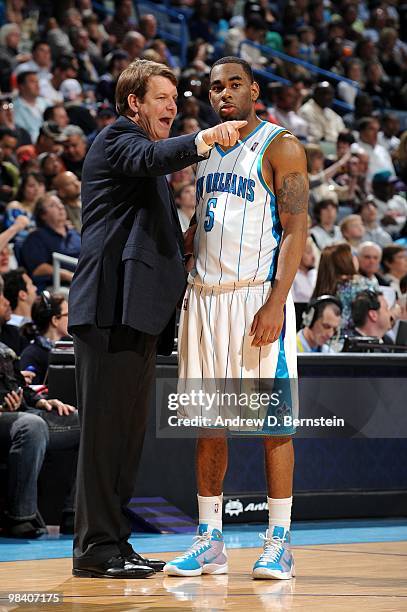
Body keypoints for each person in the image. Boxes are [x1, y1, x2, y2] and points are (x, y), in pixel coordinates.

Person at [67, 58, 247, 580]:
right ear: (133, 104)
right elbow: (154, 156)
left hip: (138, 314)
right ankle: (95, 548)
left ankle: (114, 543)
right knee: (104, 437)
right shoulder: (116, 140)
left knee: (125, 438)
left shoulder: (139, 155)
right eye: (162, 98)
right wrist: (204, 138)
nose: (173, 105)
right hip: (109, 308)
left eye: (175, 97)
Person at [164, 57, 308, 580]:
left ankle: (280, 542)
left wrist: (276, 300)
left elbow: (295, 231)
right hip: (204, 297)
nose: (223, 94)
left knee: (274, 425)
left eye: (234, 85)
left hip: (255, 299)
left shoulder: (281, 145)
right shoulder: (205, 149)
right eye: (214, 87)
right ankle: (210, 541)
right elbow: (203, 224)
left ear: (254, 89)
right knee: (209, 424)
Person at [21, 193, 81, 291]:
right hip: (59, 287)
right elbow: (38, 269)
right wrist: (66, 275)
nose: (60, 207)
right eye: (53, 205)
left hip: (84, 280)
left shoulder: (74, 233)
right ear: (43, 215)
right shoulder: (36, 238)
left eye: (60, 203)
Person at [312, 242, 377, 334]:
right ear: (346, 261)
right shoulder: (363, 285)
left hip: (326, 341)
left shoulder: (322, 287)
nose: (356, 258)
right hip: (356, 342)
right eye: (353, 255)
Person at [20, 292, 69, 385]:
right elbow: (32, 392)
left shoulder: (70, 348)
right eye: (68, 314)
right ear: (55, 320)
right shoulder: (31, 355)